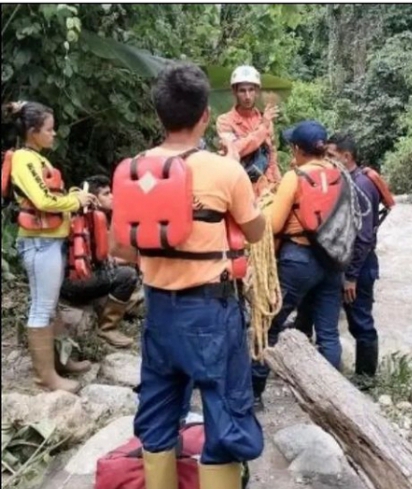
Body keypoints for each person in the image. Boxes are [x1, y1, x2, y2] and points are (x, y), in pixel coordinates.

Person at [125, 63, 266, 488]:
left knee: (158, 410)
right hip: (211, 313)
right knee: (227, 412)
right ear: (206, 115)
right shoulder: (225, 171)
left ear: (159, 114)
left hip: (159, 312)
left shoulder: (134, 169)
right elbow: (255, 232)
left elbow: (121, 248)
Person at [3, 101, 97, 393]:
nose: (54, 134)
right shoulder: (23, 159)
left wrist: (73, 197)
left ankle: (58, 362)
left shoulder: (37, 158)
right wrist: (75, 200)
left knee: (50, 305)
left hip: (49, 240)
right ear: (32, 132)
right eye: (49, 129)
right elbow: (42, 200)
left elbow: (49, 195)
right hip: (38, 243)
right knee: (42, 307)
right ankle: (45, 377)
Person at [251, 120, 345, 410]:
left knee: (269, 326)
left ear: (296, 149)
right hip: (333, 259)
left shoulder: (295, 177)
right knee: (328, 333)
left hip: (298, 260)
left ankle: (253, 394)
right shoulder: (340, 174)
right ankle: (333, 401)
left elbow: (273, 225)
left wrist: (264, 203)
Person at [293, 133, 381, 385]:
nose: (327, 159)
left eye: (331, 155)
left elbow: (364, 236)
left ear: (347, 156)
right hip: (342, 261)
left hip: (358, 265)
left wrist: (351, 276)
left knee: (360, 321)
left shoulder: (360, 185)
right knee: (317, 313)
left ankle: (366, 380)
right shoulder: (343, 180)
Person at [60, 175, 140, 348]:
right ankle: (108, 328)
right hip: (73, 283)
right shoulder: (83, 218)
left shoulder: (91, 216)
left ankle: (123, 307)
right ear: (93, 198)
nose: (112, 197)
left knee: (127, 268)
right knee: (128, 275)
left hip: (77, 278)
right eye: (106, 194)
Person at [216, 65, 281, 194]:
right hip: (239, 187)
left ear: (257, 91)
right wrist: (263, 128)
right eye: (242, 91)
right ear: (234, 92)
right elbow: (235, 149)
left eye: (251, 90)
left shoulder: (265, 120)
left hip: (266, 188)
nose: (247, 96)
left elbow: (272, 156)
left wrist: (278, 183)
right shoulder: (225, 121)